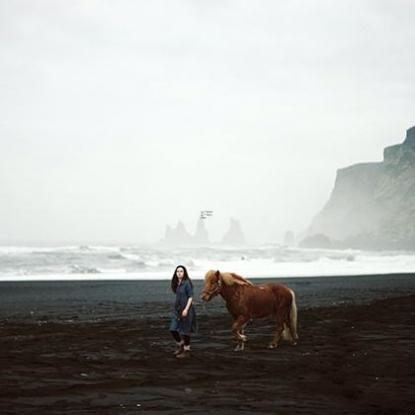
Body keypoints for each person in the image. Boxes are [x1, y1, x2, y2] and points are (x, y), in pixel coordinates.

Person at [169, 265, 197, 359]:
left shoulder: (187, 283)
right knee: (173, 329)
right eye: (177, 271)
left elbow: (190, 297)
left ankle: (187, 350)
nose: (179, 273)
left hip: (186, 310)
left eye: (181, 271)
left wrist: (186, 309)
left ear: (184, 272)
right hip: (177, 310)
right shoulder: (177, 283)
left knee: (185, 331)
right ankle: (181, 345)